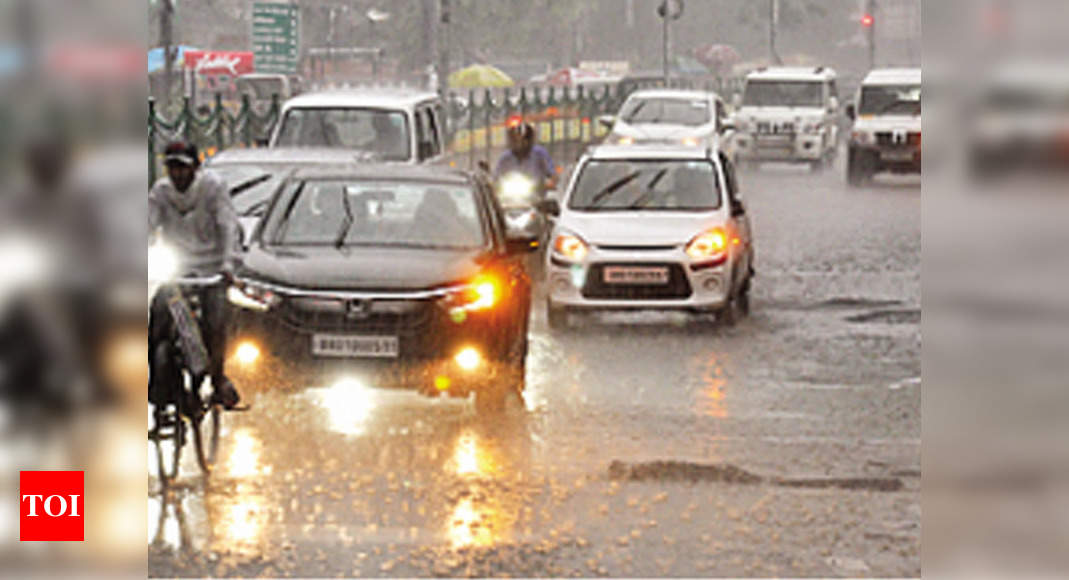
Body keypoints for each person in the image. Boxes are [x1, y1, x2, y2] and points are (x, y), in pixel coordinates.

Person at [148, 141, 241, 410]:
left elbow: (228, 227)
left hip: (211, 270)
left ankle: (218, 378)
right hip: (176, 270)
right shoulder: (160, 192)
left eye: (183, 168)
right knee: (156, 322)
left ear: (195, 168)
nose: (177, 174)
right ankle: (156, 387)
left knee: (215, 321)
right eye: (172, 168)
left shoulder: (213, 188)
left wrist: (228, 266)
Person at [493, 121, 557, 193]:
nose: (520, 144)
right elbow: (496, 177)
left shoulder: (540, 154)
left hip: (537, 196)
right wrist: (496, 186)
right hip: (508, 198)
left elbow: (552, 174)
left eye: (524, 140)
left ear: (530, 140)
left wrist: (550, 183)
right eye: (516, 140)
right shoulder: (505, 158)